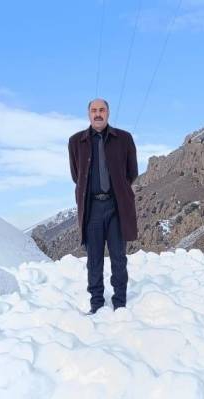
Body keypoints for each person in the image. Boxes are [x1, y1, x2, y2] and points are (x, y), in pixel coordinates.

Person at [68, 98, 138, 313]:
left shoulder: (124, 139)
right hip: (92, 208)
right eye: (94, 110)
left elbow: (131, 172)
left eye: (102, 110)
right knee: (94, 259)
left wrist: (116, 188)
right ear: (88, 114)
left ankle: (120, 302)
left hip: (116, 206)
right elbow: (75, 175)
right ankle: (96, 303)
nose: (98, 114)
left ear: (108, 113)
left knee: (118, 256)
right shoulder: (75, 142)